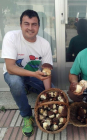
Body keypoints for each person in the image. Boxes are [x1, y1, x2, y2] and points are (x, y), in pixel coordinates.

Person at [1, 9, 53, 137]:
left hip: (33, 75)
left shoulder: (44, 44)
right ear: (20, 25)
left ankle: (28, 87)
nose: (30, 28)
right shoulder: (11, 37)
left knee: (51, 91)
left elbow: (46, 71)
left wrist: (47, 94)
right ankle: (26, 116)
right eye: (26, 24)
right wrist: (35, 74)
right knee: (16, 83)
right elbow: (10, 68)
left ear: (38, 27)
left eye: (34, 24)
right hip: (14, 74)